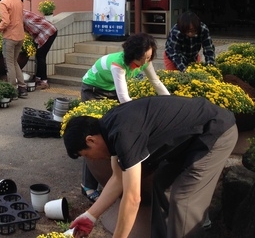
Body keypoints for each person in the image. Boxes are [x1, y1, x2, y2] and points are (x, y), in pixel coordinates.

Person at [64, 96, 238, 238]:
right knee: (162, 183)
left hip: (215, 132)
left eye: (86, 155)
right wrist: (90, 216)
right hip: (190, 140)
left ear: (91, 140)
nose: (91, 159)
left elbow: (133, 199)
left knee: (183, 199)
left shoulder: (124, 135)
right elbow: (118, 178)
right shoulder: (109, 128)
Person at [79, 32, 171, 203]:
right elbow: (124, 100)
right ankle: (88, 185)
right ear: (132, 55)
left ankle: (109, 176)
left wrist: (172, 103)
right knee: (95, 137)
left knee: (113, 134)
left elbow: (156, 82)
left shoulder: (145, 61)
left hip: (111, 89)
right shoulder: (118, 65)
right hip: (92, 90)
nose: (146, 62)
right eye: (143, 58)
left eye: (150, 57)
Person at [0, 0, 27, 98]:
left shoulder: (3, 2)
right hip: (20, 35)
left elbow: (5, 22)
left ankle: (13, 89)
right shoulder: (18, 0)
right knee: (14, 62)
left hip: (10, 36)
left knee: (9, 63)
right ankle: (22, 88)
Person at [22, 9, 57, 89]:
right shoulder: (22, 12)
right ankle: (38, 78)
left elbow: (34, 31)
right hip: (46, 30)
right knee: (39, 55)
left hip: (48, 32)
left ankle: (44, 81)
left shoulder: (24, 19)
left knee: (41, 55)